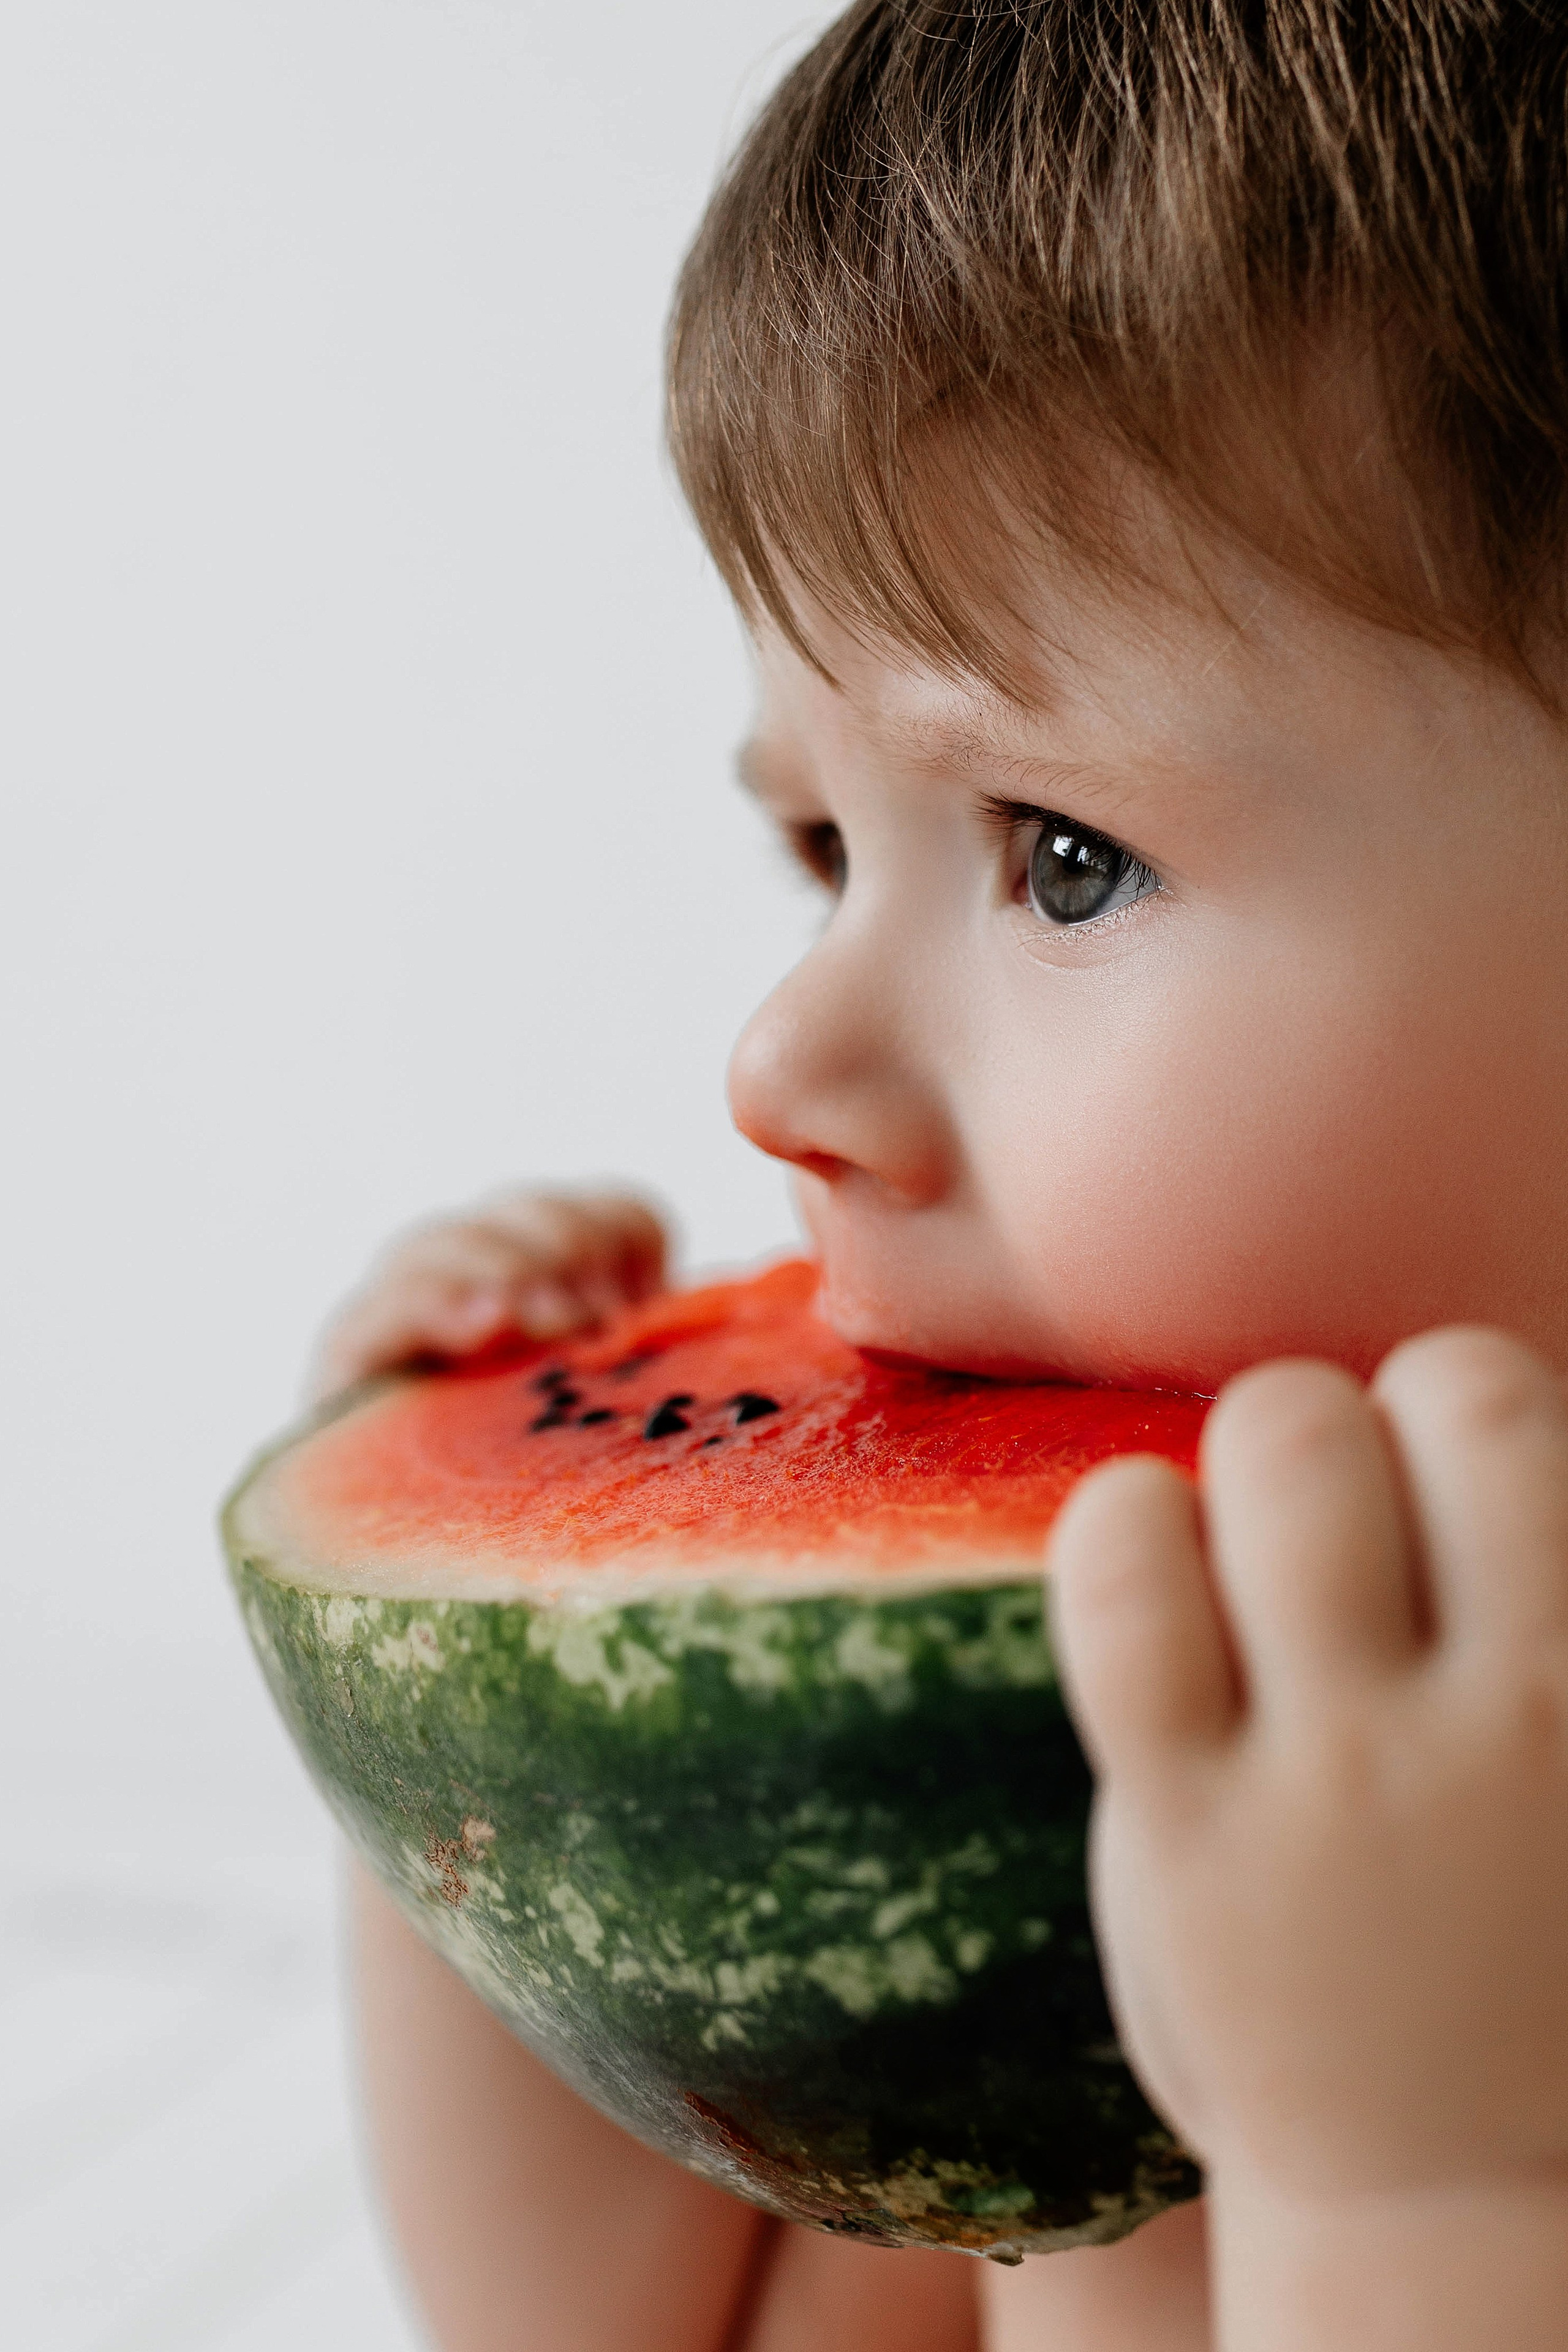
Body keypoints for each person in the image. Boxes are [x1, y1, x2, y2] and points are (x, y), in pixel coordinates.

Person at [318, 4, 1568, 2345]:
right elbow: (619, 2330)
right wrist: (439, 1721)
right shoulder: (1020, 1853)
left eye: (1066, 855)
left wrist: (1418, 2176)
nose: (778, 1067)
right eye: (819, 845)